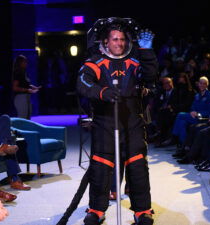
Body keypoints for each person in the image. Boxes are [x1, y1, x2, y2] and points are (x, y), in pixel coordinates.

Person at [77, 17, 157, 225]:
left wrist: (147, 52)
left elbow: (150, 76)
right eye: (115, 39)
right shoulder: (94, 63)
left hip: (133, 125)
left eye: (122, 39)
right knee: (101, 169)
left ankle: (143, 211)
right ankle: (96, 209)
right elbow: (83, 83)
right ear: (105, 41)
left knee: (138, 168)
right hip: (105, 124)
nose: (119, 43)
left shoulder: (135, 61)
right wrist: (102, 92)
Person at [12, 55, 41, 119]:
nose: (26, 63)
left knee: (27, 118)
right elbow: (15, 87)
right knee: (23, 118)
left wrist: (33, 87)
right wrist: (27, 90)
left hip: (26, 98)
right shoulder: (17, 73)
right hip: (20, 98)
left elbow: (25, 84)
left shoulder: (23, 72)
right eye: (24, 62)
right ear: (20, 63)